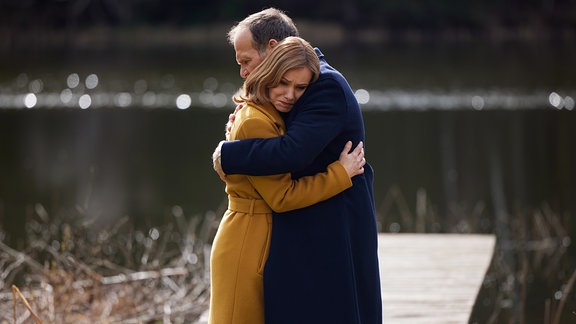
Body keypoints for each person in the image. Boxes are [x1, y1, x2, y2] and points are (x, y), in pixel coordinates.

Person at [212, 8, 382, 324]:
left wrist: (228, 155)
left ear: (274, 50)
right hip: (304, 224)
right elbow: (269, 130)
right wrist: (243, 123)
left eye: (247, 61)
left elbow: (292, 151)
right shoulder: (284, 93)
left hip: (334, 226)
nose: (244, 72)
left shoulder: (324, 84)